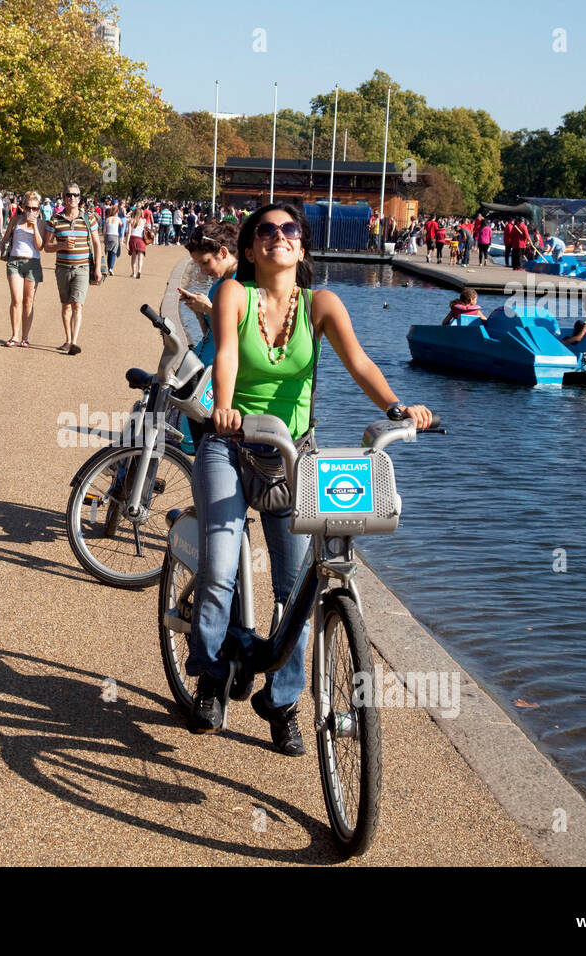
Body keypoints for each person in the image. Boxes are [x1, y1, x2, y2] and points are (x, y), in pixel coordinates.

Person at [187, 202, 431, 752]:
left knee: (297, 587)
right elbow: (225, 355)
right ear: (250, 248)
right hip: (230, 445)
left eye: (289, 229)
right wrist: (223, 408)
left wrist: (398, 410)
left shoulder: (322, 303)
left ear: (301, 246)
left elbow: (360, 363)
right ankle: (210, 673)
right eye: (266, 230)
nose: (278, 236)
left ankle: (281, 699)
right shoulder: (234, 294)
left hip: (295, 453)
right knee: (222, 567)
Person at [44, 182, 102, 355]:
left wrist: (97, 268)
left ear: (80, 198)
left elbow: (97, 244)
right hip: (62, 268)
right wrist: (61, 245)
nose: (72, 198)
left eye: (75, 195)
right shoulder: (55, 219)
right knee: (66, 305)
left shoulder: (88, 218)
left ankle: (74, 342)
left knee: (77, 304)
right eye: (69, 195)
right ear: (63, 198)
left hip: (82, 267)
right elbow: (47, 247)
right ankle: (68, 340)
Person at [0, 190, 49, 347]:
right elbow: (4, 240)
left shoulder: (41, 223)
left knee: (28, 301)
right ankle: (14, 335)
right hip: (15, 261)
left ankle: (25, 337)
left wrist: (35, 227)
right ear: (23, 207)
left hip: (33, 263)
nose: (31, 211)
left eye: (35, 208)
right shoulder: (16, 219)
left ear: (39, 209)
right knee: (16, 300)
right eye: (28, 208)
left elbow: (40, 247)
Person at [126, 206, 150, 279]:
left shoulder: (131, 221)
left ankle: (133, 273)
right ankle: (139, 271)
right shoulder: (144, 221)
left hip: (133, 238)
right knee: (140, 257)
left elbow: (129, 233)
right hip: (141, 239)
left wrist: (127, 242)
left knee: (133, 257)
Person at [102, 201, 124, 277]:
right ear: (116, 212)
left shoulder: (107, 219)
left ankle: (109, 267)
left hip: (108, 236)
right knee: (113, 253)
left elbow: (104, 230)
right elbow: (122, 225)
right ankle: (111, 268)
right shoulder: (117, 218)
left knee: (109, 253)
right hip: (115, 236)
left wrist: (104, 239)